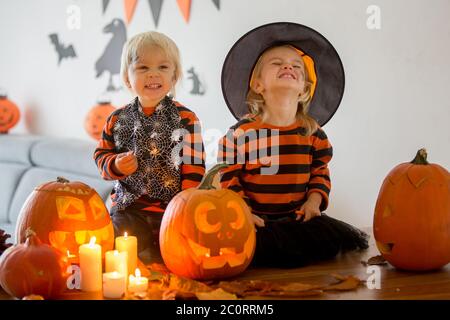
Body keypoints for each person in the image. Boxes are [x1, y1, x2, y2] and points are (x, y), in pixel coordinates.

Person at [218, 22, 368, 268]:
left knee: (319, 253)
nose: (288, 66)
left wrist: (313, 202)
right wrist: (242, 211)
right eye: (276, 63)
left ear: (304, 89)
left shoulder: (313, 133)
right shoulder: (241, 134)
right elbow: (229, 178)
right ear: (258, 85)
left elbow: (320, 172)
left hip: (297, 220)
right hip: (255, 220)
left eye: (297, 66)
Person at [94, 31, 205, 263]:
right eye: (143, 68)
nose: (153, 73)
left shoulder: (186, 118)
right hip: (129, 210)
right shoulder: (116, 119)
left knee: (177, 258)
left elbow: (194, 165)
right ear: (127, 78)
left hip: (171, 211)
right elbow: (101, 157)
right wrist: (115, 164)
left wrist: (185, 207)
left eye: (163, 67)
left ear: (174, 77)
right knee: (116, 249)